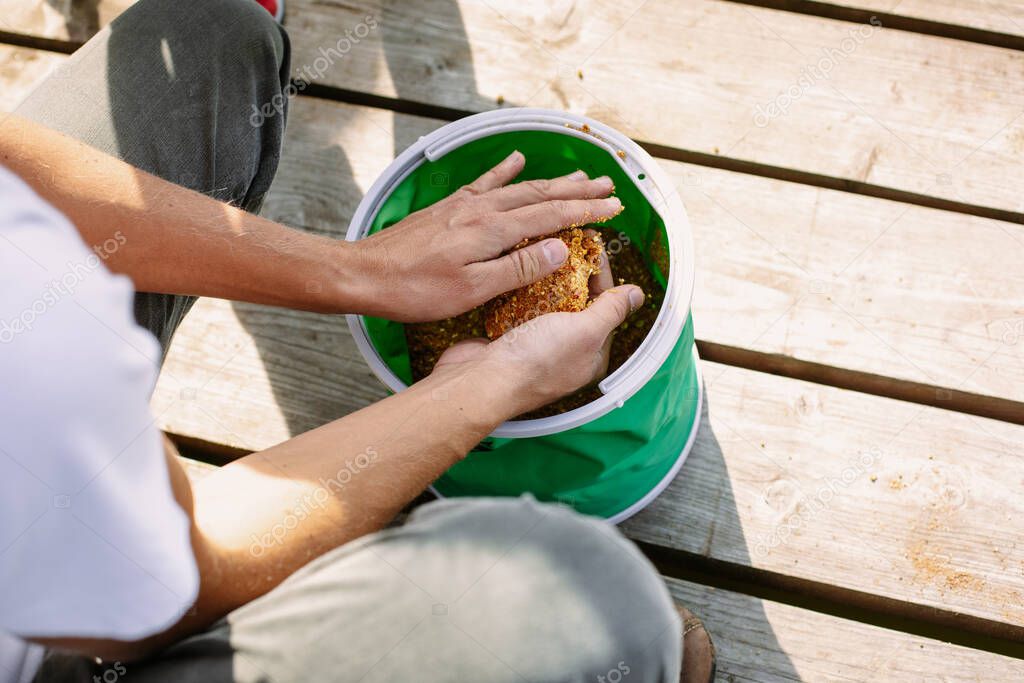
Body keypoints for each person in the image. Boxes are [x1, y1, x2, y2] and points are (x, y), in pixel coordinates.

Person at [0, 0, 715, 681]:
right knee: (600, 604)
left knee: (213, 39)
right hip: (64, 628)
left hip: (66, 532)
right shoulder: (35, 394)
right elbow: (166, 580)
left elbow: (23, 177)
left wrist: (361, 271)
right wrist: (484, 383)